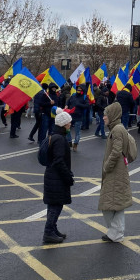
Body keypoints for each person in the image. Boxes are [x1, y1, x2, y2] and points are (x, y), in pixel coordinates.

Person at [99, 102, 132, 243]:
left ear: (112, 115)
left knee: (111, 204)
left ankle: (116, 234)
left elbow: (117, 150)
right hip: (116, 170)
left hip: (115, 171)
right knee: (114, 204)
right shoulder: (116, 128)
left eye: (105, 115)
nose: (103, 117)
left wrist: (107, 166)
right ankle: (115, 233)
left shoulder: (117, 129)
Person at [42, 110, 74, 244]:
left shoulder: (53, 135)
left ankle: (53, 229)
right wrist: (68, 176)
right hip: (57, 177)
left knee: (53, 204)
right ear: (64, 124)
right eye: (69, 122)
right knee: (56, 205)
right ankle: (48, 232)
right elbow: (59, 161)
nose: (70, 124)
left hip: (51, 175)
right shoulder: (60, 139)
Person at [66, 85, 88, 151]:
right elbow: (68, 101)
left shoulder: (84, 97)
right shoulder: (73, 95)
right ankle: (69, 142)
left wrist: (79, 105)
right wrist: (66, 105)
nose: (79, 90)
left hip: (79, 116)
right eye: (78, 89)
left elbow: (87, 105)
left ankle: (75, 144)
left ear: (83, 90)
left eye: (80, 89)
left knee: (77, 132)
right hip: (71, 115)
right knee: (67, 130)